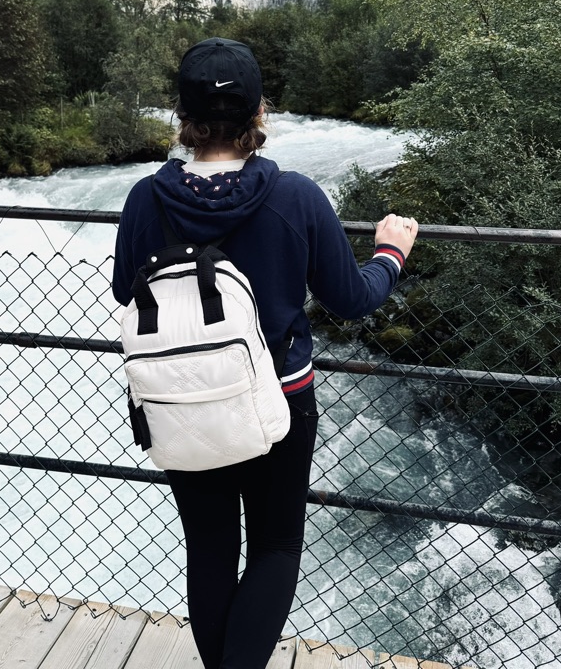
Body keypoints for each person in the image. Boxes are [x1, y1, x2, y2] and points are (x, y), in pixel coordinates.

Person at [111, 37, 418, 669]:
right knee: (275, 548)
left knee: (210, 550)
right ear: (258, 116)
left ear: (183, 119)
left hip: (183, 394)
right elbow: (352, 300)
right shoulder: (296, 196)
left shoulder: (146, 198)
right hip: (280, 395)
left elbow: (126, 289)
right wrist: (391, 252)